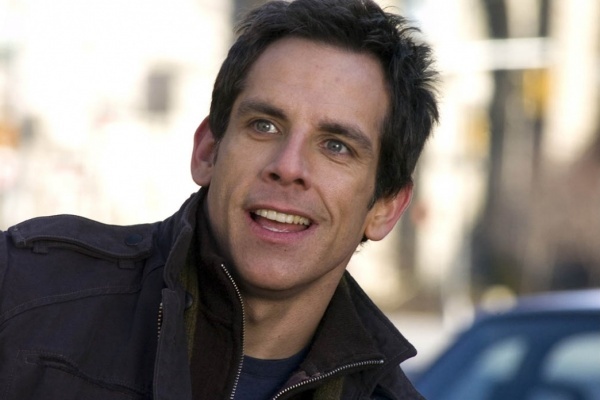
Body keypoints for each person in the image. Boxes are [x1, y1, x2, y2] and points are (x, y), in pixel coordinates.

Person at [0, 0, 438, 398]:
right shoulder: (23, 289)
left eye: (336, 146)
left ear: (385, 208)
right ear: (207, 151)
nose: (288, 166)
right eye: (264, 125)